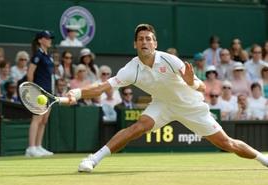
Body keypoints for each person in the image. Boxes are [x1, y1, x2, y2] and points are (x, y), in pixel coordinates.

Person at [66, 24, 268, 173]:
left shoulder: (170, 60)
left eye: (149, 38)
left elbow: (202, 86)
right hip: (162, 104)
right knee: (137, 127)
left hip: (190, 105)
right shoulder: (131, 69)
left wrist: (190, 82)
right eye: (141, 39)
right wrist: (76, 93)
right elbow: (102, 87)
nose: (145, 42)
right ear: (135, 44)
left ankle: (262, 158)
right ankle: (93, 159)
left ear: (155, 43)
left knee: (227, 144)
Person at [25, 30, 55, 157]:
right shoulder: (37, 55)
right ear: (40, 40)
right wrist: (32, 91)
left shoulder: (48, 56)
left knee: (44, 120)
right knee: (37, 119)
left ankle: (38, 146)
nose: (49, 40)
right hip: (39, 91)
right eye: (47, 38)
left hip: (48, 91)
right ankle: (31, 148)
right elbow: (30, 74)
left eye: (50, 38)